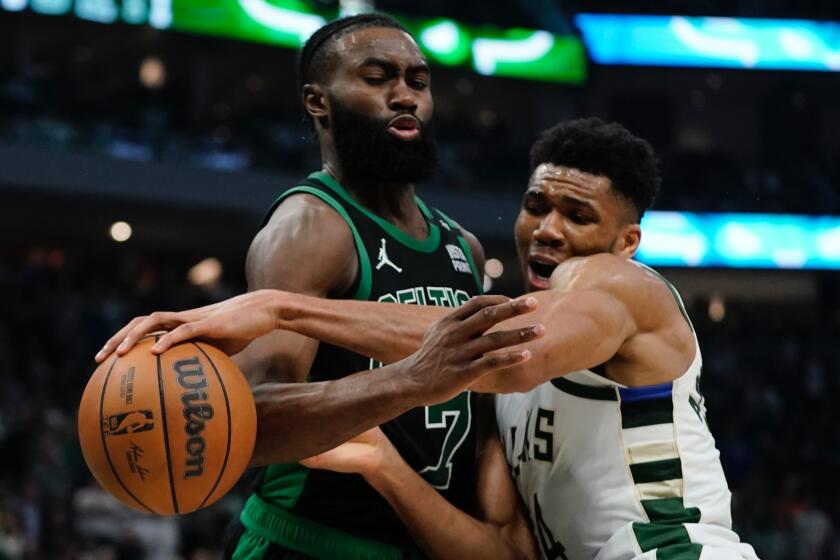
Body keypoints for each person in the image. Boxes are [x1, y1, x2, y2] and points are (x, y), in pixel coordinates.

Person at [99, 118, 758, 559]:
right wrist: (382, 466)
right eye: (536, 206)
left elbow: (512, 349)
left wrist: (280, 309)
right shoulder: (502, 392)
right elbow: (503, 550)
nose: (549, 230)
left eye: (578, 216)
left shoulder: (621, 283)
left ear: (626, 240)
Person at [94, 13, 545, 560]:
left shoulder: (464, 245)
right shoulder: (309, 229)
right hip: (308, 542)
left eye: (417, 82)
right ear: (318, 102)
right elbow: (251, 422)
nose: (404, 96)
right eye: (377, 78)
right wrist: (411, 380)